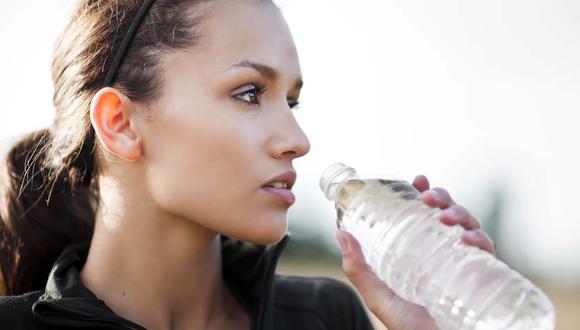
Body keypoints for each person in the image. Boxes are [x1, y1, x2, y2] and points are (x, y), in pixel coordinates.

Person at [0, 0, 496, 329]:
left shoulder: (325, 319)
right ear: (121, 124)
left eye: (292, 102)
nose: (298, 142)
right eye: (249, 93)